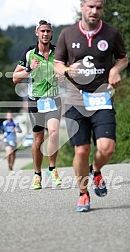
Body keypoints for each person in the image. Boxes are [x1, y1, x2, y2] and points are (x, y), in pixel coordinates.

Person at [54, 0, 128, 212]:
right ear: (82, 6)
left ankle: (95, 171)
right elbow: (57, 64)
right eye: (91, 6)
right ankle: (83, 194)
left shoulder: (111, 33)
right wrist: (68, 70)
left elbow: (123, 58)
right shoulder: (67, 34)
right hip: (75, 100)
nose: (94, 11)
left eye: (99, 7)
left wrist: (114, 71)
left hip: (101, 97)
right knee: (82, 149)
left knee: (107, 148)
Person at [13, 19, 62, 189]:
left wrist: (63, 75)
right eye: (42, 31)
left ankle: (52, 168)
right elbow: (15, 78)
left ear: (52, 33)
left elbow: (66, 69)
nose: (45, 34)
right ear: (37, 33)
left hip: (54, 98)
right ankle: (37, 174)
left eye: (48, 31)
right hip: (36, 100)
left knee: (54, 133)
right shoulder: (29, 53)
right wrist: (29, 69)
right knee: (38, 139)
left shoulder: (58, 52)